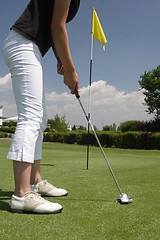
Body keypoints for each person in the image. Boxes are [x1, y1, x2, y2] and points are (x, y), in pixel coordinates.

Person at [2, 0, 80, 214]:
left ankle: (35, 182)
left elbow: (53, 24)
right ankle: (22, 194)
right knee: (31, 116)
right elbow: (58, 26)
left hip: (29, 45)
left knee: (40, 118)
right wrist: (71, 71)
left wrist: (59, 59)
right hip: (22, 43)